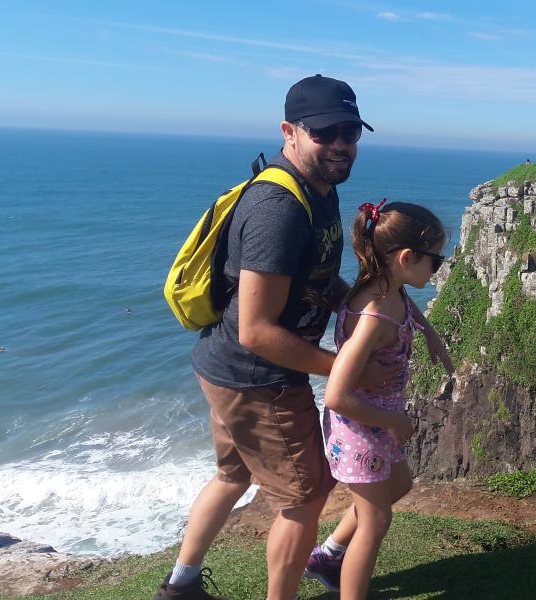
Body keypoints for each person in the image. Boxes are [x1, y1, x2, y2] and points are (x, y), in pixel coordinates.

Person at [154, 75, 451, 600]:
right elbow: (257, 331)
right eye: (324, 132)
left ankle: (181, 584)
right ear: (289, 131)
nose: (340, 143)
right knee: (305, 496)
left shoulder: (320, 192)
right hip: (259, 377)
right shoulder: (280, 208)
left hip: (223, 367)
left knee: (232, 477)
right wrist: (348, 366)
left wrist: (364, 308)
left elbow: (317, 279)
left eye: (350, 132)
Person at [305, 201, 447, 599]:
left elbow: (405, 305)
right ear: (407, 257)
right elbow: (336, 394)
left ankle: (328, 555)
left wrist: (430, 333)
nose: (438, 269)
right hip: (360, 430)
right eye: (435, 261)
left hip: (375, 423)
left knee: (399, 484)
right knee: (376, 520)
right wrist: (396, 423)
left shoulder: (387, 287)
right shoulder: (373, 317)